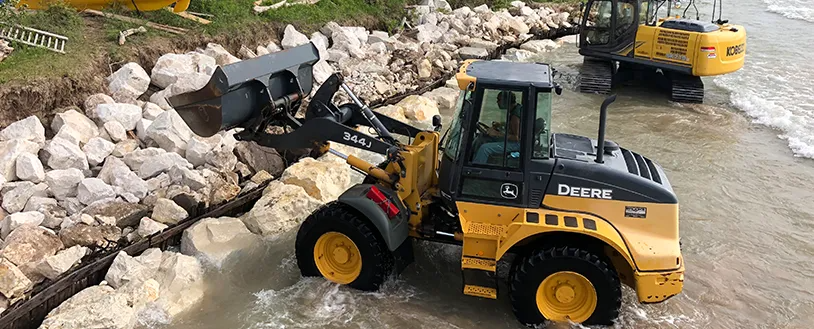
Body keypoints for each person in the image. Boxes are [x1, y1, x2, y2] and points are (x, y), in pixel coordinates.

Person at [472, 91, 522, 164]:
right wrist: (501, 125)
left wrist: (496, 133)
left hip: (517, 145)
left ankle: (475, 170)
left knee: (485, 148)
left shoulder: (515, 116)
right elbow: (514, 126)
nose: (497, 102)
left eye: (499, 100)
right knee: (482, 139)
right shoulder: (516, 108)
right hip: (513, 142)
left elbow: (516, 138)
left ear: (506, 101)